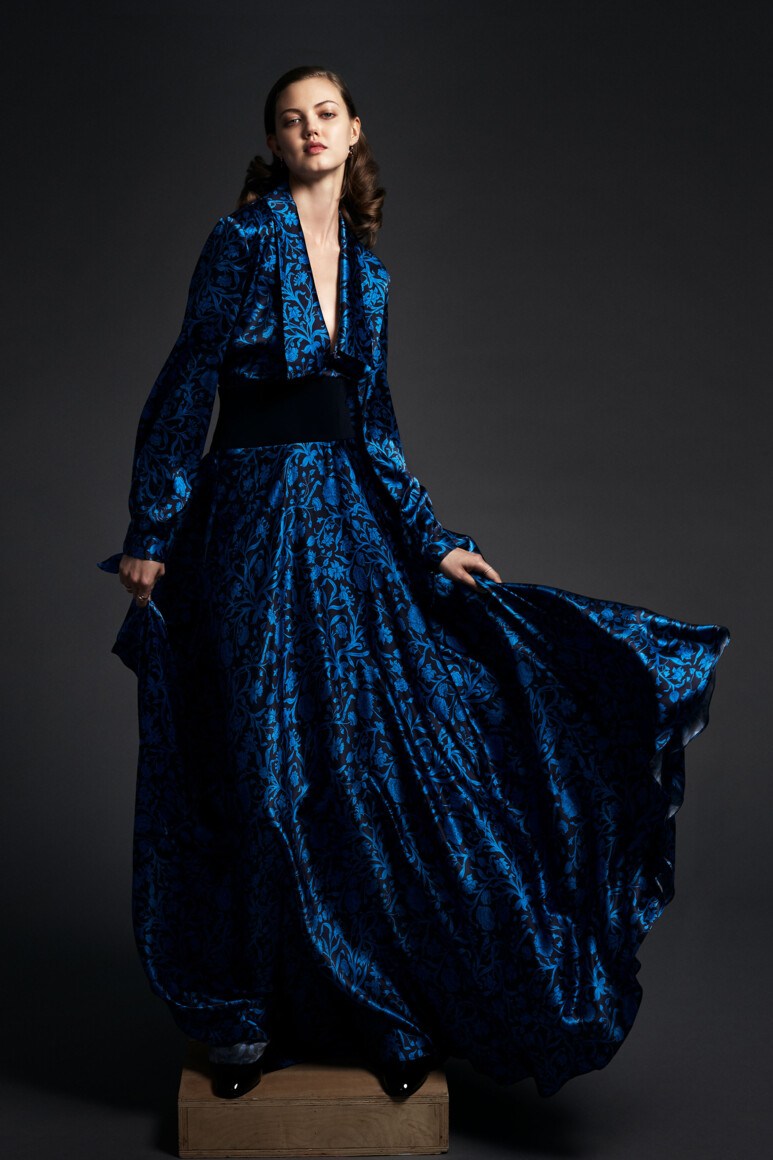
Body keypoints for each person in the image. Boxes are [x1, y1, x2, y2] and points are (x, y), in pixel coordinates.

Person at [99, 65, 729, 1103]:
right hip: (251, 520)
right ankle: (245, 1016)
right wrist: (151, 525)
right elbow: (187, 379)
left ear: (353, 132)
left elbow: (375, 425)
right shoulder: (239, 241)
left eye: (326, 115)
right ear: (274, 140)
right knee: (258, 769)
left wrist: (432, 541)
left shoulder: (372, 275)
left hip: (348, 523)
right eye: (292, 120)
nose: (311, 131)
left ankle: (378, 1008)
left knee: (363, 767)